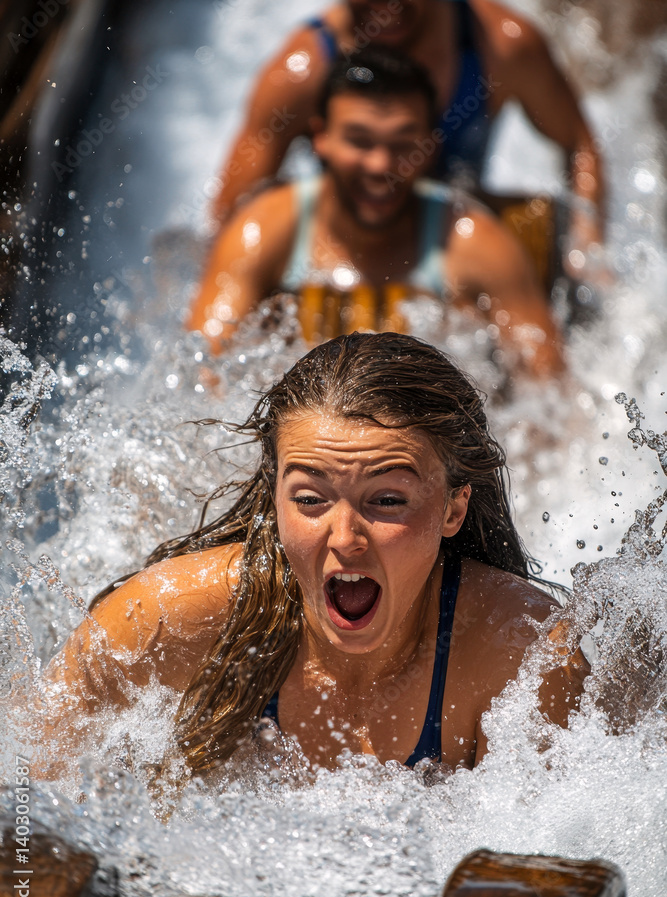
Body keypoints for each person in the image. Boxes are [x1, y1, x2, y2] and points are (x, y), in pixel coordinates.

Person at [40, 333, 587, 775]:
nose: (344, 537)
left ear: (452, 509)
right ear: (274, 495)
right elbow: (25, 801)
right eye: (309, 499)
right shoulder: (166, 620)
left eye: (387, 499)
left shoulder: (522, 656)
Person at [190, 49, 564, 380]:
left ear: (429, 146)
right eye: (360, 141)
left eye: (402, 144)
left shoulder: (473, 242)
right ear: (321, 137)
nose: (380, 165)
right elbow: (203, 373)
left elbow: (548, 396)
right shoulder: (264, 230)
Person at [210, 0, 604, 257]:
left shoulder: (504, 49)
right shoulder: (300, 73)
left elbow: (579, 144)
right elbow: (231, 215)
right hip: (348, 248)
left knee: (542, 235)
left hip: (457, 241)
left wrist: (586, 246)